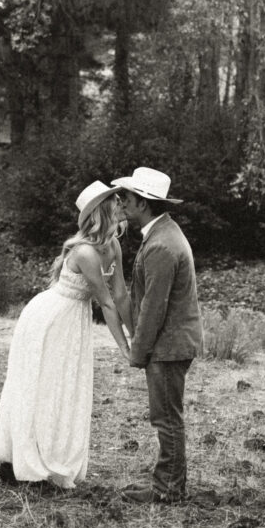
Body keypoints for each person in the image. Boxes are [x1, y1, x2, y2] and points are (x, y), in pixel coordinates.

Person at [0, 180, 132, 489]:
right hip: (51, 318)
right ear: (104, 210)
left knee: (65, 387)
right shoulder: (85, 253)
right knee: (41, 384)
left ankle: (48, 458)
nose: (123, 204)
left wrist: (136, 337)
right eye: (117, 201)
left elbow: (121, 295)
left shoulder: (114, 246)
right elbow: (106, 302)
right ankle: (21, 461)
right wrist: (124, 347)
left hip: (73, 319)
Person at [115, 167, 203, 504]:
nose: (121, 202)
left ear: (143, 203)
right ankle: (170, 486)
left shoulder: (162, 245)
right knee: (168, 416)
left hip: (169, 345)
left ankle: (168, 490)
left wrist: (137, 353)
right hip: (172, 342)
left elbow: (153, 308)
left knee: (166, 418)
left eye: (127, 198)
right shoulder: (162, 233)